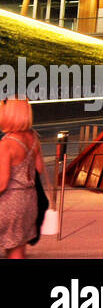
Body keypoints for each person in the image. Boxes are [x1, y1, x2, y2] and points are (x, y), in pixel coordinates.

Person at [0, 98, 44, 259]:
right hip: (28, 201)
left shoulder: (6, 144)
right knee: (17, 251)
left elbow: (2, 183)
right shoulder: (33, 138)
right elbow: (38, 168)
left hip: (8, 204)